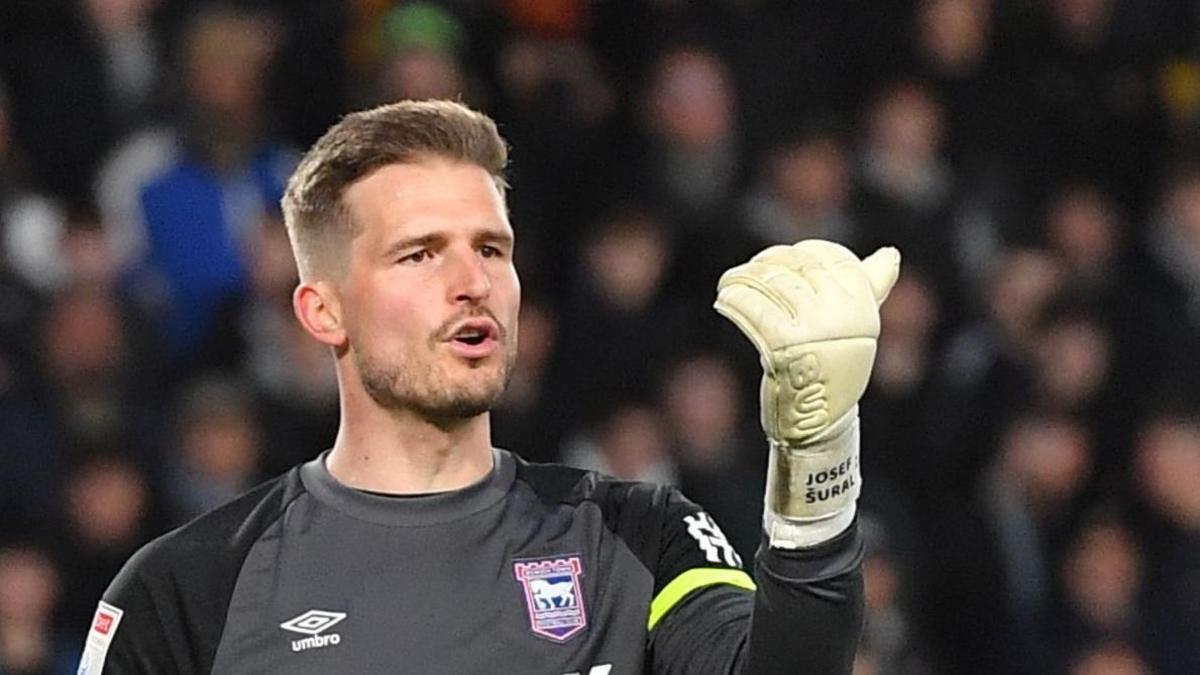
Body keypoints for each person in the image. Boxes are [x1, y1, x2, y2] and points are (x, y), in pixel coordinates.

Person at [78, 100, 899, 674]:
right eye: (421, 253)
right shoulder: (186, 589)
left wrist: (817, 458)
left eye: (492, 249)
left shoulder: (641, 537)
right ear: (322, 310)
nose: (472, 281)